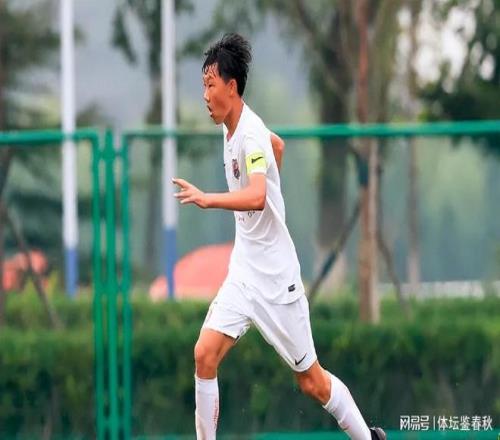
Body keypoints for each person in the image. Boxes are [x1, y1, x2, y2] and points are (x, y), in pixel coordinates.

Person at [173, 33, 386, 440]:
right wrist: (272, 185)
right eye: (203, 85)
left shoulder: (249, 134)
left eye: (210, 85)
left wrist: (207, 198)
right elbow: (279, 146)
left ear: (232, 88)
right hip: (243, 273)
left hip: (276, 280)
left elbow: (256, 196)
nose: (204, 95)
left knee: (312, 382)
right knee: (204, 355)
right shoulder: (233, 127)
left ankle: (369, 438)